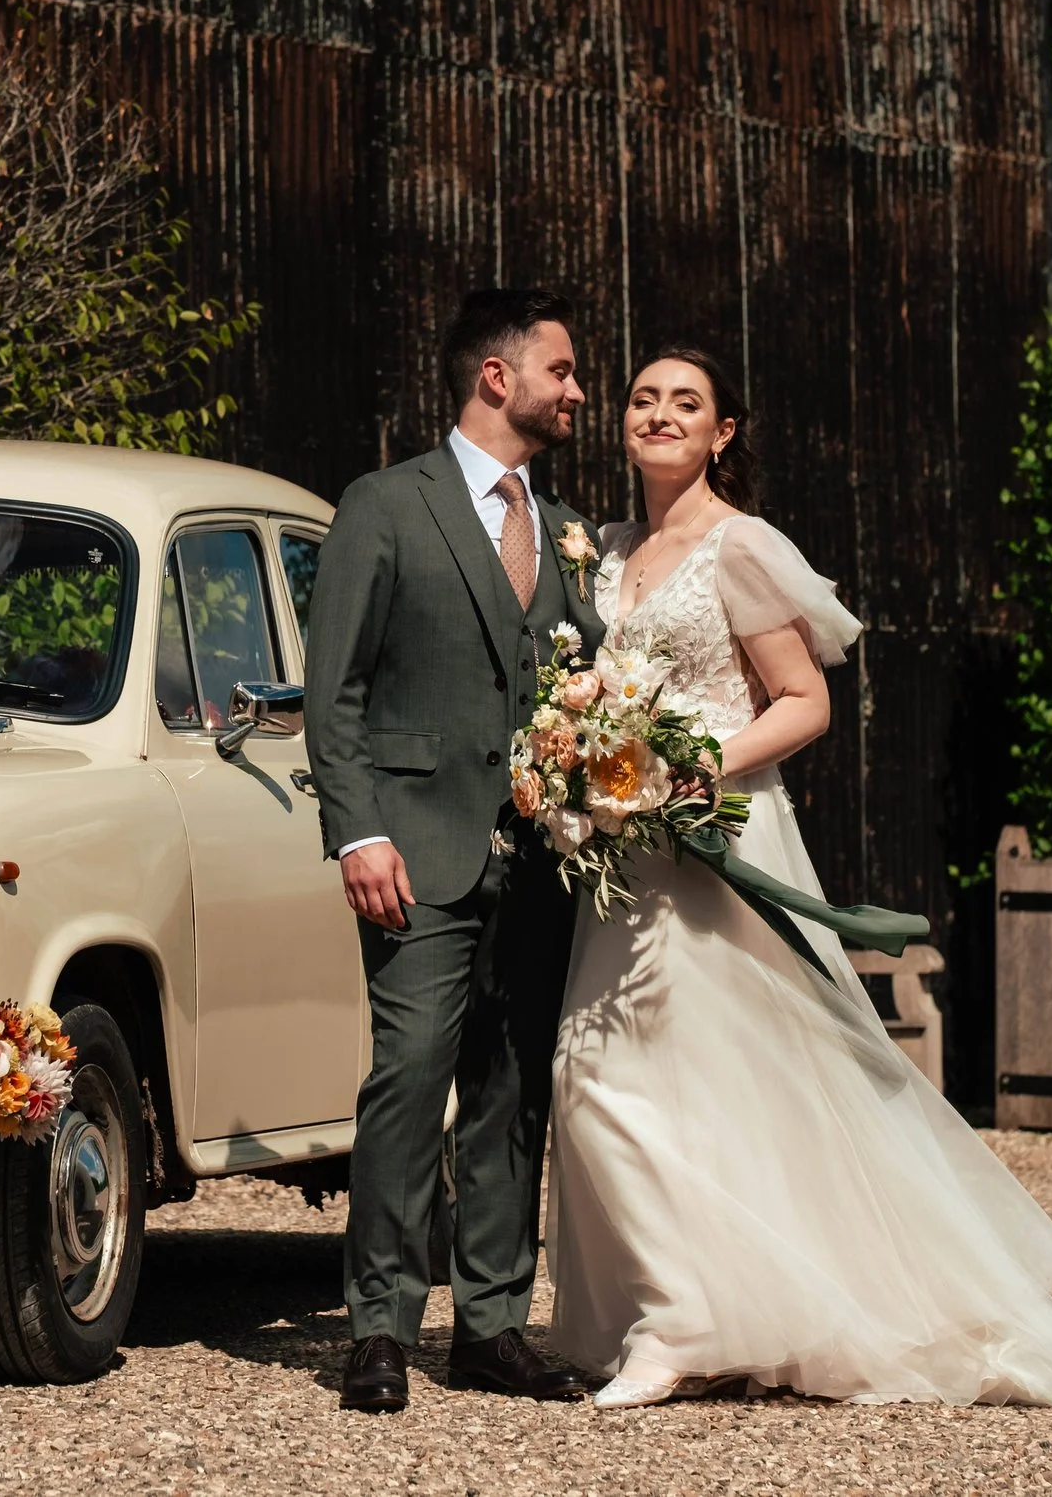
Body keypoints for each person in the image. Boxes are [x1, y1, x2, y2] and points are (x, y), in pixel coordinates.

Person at [546, 343, 1052, 1411]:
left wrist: (695, 764)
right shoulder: (604, 549)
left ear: (723, 434)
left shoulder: (740, 547)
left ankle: (679, 1323)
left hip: (717, 835)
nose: (659, 415)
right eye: (642, 398)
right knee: (608, 1076)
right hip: (625, 854)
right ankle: (695, 1304)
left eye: (687, 403)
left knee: (703, 1073)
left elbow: (801, 698)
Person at [305, 288, 609, 1412]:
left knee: (511, 1088)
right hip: (413, 850)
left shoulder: (566, 526)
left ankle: (491, 1322)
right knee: (407, 1078)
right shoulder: (386, 505)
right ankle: (380, 1326)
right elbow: (329, 692)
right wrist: (358, 829)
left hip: (541, 858)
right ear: (497, 375)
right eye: (563, 370)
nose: (578, 391)